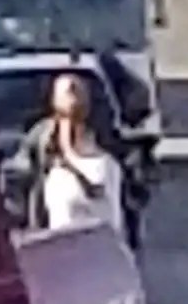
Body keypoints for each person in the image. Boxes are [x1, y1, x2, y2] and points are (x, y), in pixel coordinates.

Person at [19, 70, 127, 235]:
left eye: (76, 87)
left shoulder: (106, 163)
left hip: (101, 252)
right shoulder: (44, 151)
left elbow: (115, 222)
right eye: (68, 88)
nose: (72, 88)